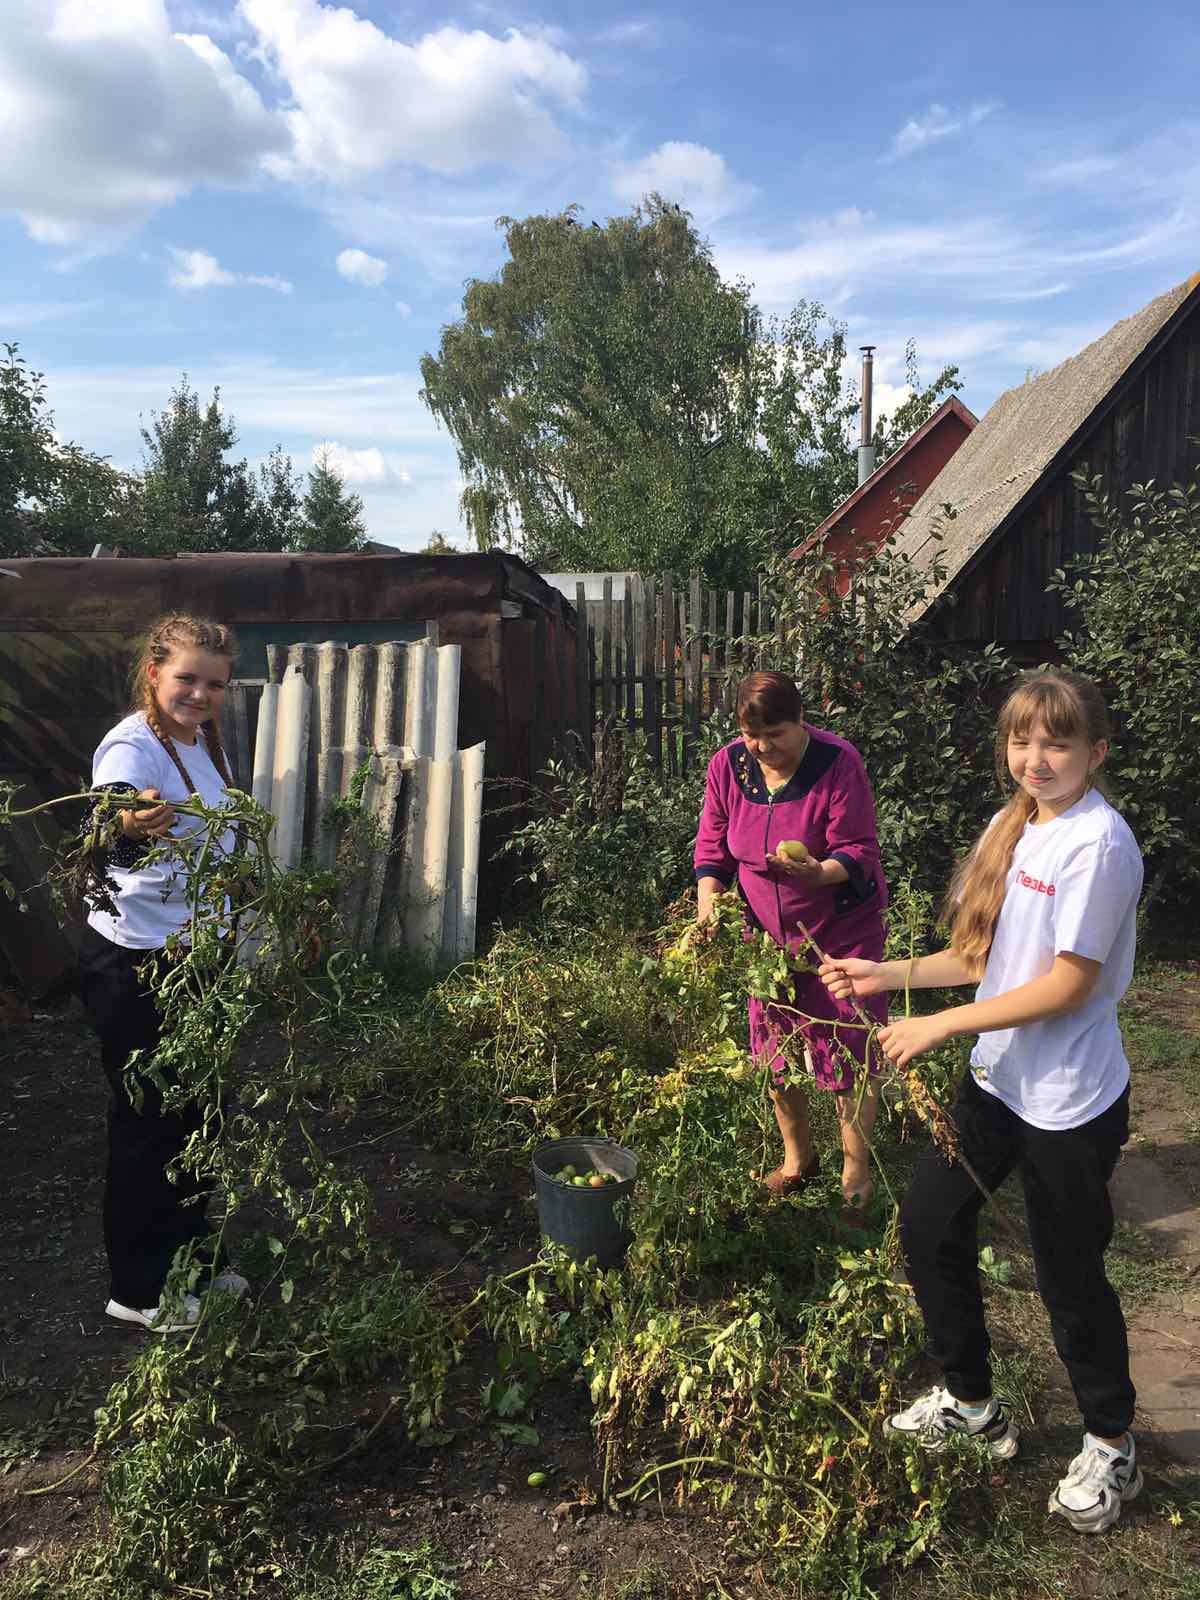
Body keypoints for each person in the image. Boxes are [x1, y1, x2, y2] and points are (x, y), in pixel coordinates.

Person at [820, 668, 1143, 1535]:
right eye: (1022, 741)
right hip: (996, 1084)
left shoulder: (1098, 845)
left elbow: (1066, 986)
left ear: (1094, 752)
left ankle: (1112, 1444)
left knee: (1067, 1276)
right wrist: (885, 974)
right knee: (929, 1227)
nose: (1035, 760)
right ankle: (973, 1406)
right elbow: (979, 958)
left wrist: (939, 1029)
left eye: (1057, 744)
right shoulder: (1015, 825)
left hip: (1068, 1102)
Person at [77, 614, 248, 1333]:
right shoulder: (131, 745)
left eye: (214, 683)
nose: (200, 693)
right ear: (154, 673)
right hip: (139, 961)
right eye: (186, 678)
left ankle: (192, 1262)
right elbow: (115, 808)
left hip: (196, 955)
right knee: (149, 1121)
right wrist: (127, 820)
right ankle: (141, 1289)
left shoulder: (196, 742)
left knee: (199, 1114)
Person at [693, 671, 888, 1207]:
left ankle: (856, 1179)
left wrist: (818, 873)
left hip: (839, 933)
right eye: (751, 735)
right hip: (767, 945)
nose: (761, 747)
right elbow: (712, 844)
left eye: (774, 733)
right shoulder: (728, 766)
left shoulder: (836, 762)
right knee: (776, 1051)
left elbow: (858, 849)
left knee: (849, 1053)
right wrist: (710, 899)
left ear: (801, 720)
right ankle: (798, 1158)